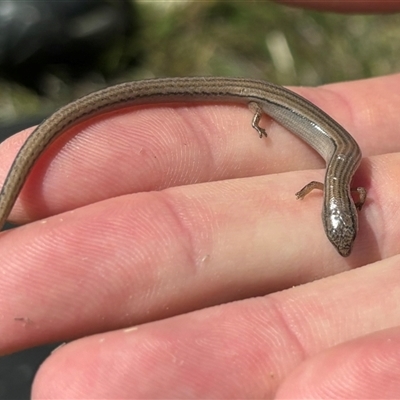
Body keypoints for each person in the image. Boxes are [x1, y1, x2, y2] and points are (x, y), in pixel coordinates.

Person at [2, 1, 400, 397]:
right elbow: (351, 190)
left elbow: (351, 190)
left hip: (270, 104)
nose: (342, 240)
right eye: (340, 233)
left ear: (342, 204)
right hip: (262, 99)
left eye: (340, 234)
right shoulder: (341, 182)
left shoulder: (341, 181)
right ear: (342, 207)